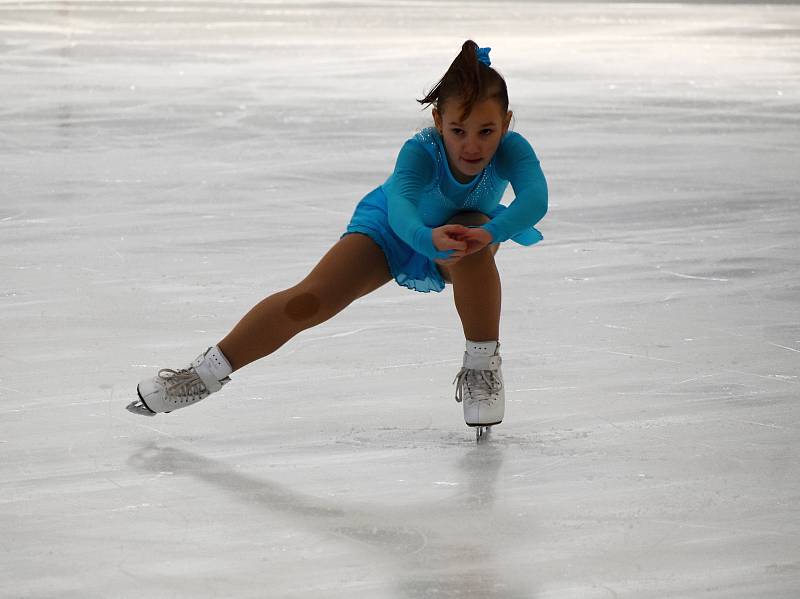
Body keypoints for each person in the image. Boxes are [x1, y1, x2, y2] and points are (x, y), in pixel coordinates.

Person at [127, 40, 548, 431]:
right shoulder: (420, 150)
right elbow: (401, 209)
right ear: (438, 120)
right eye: (458, 131)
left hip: (465, 230)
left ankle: (482, 366)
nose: (471, 146)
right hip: (393, 227)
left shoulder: (514, 149)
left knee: (472, 239)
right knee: (309, 299)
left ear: (506, 123)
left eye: (486, 132)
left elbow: (535, 200)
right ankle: (203, 374)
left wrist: (489, 233)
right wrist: (425, 239)